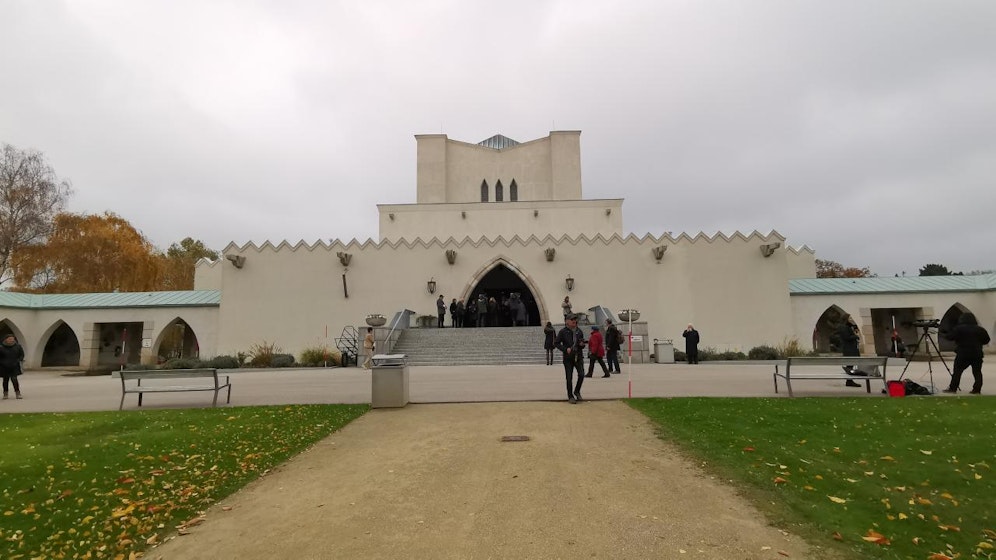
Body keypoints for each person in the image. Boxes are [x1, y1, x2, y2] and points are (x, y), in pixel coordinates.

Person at [941, 312, 991, 394]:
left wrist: (944, 334)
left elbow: (950, 337)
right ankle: (977, 389)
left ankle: (953, 388)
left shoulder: (959, 329)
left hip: (963, 353)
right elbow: (986, 340)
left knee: (957, 371)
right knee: (977, 372)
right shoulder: (980, 329)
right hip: (977, 353)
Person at [555, 314, 586, 403]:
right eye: (572, 319)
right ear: (567, 321)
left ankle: (577, 391)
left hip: (578, 357)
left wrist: (582, 345)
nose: (574, 321)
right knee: (569, 378)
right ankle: (570, 396)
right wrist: (565, 349)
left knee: (581, 374)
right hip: (568, 358)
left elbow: (581, 343)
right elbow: (556, 343)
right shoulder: (563, 332)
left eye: (575, 319)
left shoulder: (579, 331)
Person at [837, 314, 863, 387]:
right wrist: (855, 336)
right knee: (850, 364)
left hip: (851, 347)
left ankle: (849, 380)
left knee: (851, 364)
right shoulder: (843, 327)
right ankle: (849, 380)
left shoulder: (848, 326)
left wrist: (854, 329)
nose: (851, 319)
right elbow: (847, 337)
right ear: (846, 318)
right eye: (850, 318)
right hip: (849, 348)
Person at [0, 334, 24, 399]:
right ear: (6, 339)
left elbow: (21, 355)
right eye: (10, 339)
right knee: (5, 380)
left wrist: (18, 361)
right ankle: (5, 393)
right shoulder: (1, 347)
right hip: (4, 366)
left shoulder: (18, 346)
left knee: (14, 379)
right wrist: (3, 362)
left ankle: (18, 393)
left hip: (14, 366)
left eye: (12, 339)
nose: (11, 340)